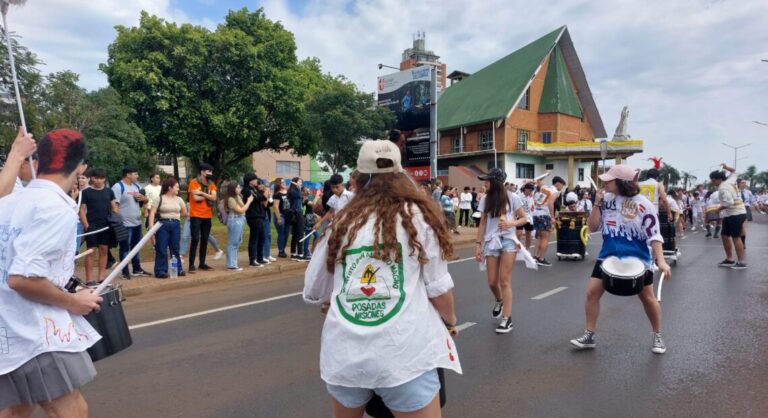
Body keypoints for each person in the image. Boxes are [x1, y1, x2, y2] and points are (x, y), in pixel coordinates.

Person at [303, 139, 461, 417]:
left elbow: (315, 289)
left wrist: (335, 298)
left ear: (358, 178)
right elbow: (438, 289)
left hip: (346, 355)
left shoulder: (341, 222)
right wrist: (449, 323)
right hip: (405, 354)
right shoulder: (418, 218)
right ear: (400, 175)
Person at [0, 128, 102, 417]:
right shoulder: (54, 208)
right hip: (34, 334)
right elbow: (22, 278)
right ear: (81, 166)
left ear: (38, 160)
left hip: (10, 332)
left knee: (19, 409)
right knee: (73, 412)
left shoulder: (8, 202)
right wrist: (74, 301)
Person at [570, 164, 672, 354]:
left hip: (638, 258)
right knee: (592, 293)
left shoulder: (644, 204)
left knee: (648, 298)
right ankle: (589, 335)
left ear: (621, 182)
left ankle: (657, 335)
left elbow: (655, 235)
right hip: (607, 255)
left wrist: (661, 260)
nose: (604, 182)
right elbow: (592, 228)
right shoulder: (605, 200)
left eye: (609, 179)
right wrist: (597, 203)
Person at [475, 168, 527, 333]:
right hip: (491, 241)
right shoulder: (485, 199)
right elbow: (483, 223)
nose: (485, 183)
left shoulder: (513, 197)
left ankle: (507, 319)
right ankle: (499, 299)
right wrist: (478, 244)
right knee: (492, 281)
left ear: (496, 182)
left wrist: (511, 224)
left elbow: (524, 218)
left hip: (508, 241)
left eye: (487, 180)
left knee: (504, 280)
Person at [79, 168, 118, 285]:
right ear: (92, 178)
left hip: (106, 226)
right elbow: (81, 209)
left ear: (104, 179)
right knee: (91, 252)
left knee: (104, 250)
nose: (99, 180)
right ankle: (89, 279)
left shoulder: (109, 192)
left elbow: (114, 207)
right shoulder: (86, 192)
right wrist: (86, 225)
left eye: (101, 178)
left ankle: (101, 277)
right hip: (92, 226)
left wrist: (115, 216)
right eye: (96, 178)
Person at [112, 167, 150, 279]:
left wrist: (144, 198)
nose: (137, 176)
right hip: (125, 224)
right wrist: (118, 222)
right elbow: (115, 206)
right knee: (124, 248)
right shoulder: (118, 186)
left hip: (137, 223)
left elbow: (146, 200)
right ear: (128, 175)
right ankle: (125, 271)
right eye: (135, 174)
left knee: (136, 247)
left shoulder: (137, 186)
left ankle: (136, 269)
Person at [148, 176, 187, 278]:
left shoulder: (179, 199)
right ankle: (161, 271)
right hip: (162, 225)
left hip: (176, 225)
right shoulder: (159, 199)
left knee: (175, 248)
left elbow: (184, 212)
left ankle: (178, 269)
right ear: (170, 188)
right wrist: (151, 227)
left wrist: (174, 216)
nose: (178, 189)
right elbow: (152, 213)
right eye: (177, 187)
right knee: (161, 248)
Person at [710, 165, 747, 269]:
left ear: (717, 179)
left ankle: (741, 262)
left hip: (736, 213)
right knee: (725, 235)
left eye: (713, 180)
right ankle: (729, 259)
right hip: (730, 214)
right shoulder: (730, 180)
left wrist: (718, 209)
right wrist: (726, 167)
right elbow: (735, 171)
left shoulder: (723, 188)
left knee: (736, 237)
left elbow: (729, 203)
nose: (712, 182)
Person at [187, 163, 218, 272]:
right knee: (195, 239)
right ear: (202, 172)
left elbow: (214, 197)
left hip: (207, 215)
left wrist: (201, 193)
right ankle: (191, 264)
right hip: (196, 215)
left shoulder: (211, 184)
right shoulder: (193, 182)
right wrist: (206, 195)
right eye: (209, 171)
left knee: (204, 239)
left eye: (211, 172)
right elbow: (195, 198)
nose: (211, 173)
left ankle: (202, 263)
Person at [531, 176, 565, 266]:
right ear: (558, 183)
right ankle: (541, 258)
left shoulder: (544, 187)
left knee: (539, 237)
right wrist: (552, 217)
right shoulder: (556, 191)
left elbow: (538, 180)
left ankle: (536, 256)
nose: (562, 187)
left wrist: (546, 174)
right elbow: (550, 203)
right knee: (545, 238)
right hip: (545, 214)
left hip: (536, 213)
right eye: (562, 185)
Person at [224, 179, 254, 270]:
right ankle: (231, 265)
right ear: (233, 189)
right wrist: (249, 201)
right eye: (237, 187)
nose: (239, 188)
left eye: (239, 187)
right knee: (233, 243)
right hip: (235, 221)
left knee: (237, 242)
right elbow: (241, 210)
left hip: (240, 220)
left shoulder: (237, 196)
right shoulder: (230, 199)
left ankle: (233, 263)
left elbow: (242, 208)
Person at [0, 127, 36, 198]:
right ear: (23, 163)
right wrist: (18, 154)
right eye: (34, 165)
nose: (35, 171)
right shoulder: (15, 189)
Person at [242, 173, 269, 267]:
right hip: (253, 216)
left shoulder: (255, 189)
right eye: (254, 180)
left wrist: (263, 191)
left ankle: (260, 258)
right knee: (254, 238)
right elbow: (260, 198)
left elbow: (263, 198)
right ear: (250, 181)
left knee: (262, 237)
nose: (256, 181)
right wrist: (265, 190)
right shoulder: (246, 190)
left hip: (259, 215)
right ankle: (252, 260)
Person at [287, 177, 305, 260]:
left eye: (301, 182)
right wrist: (299, 188)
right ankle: (300, 254)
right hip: (297, 213)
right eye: (299, 182)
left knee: (296, 234)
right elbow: (301, 195)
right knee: (299, 233)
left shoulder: (294, 190)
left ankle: (293, 253)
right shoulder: (294, 191)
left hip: (296, 213)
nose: (301, 183)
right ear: (295, 182)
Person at [517, 182, 536, 249]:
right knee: (518, 233)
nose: (530, 192)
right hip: (520, 216)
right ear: (525, 189)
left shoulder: (531, 197)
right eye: (530, 190)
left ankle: (527, 249)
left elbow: (532, 207)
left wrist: (533, 208)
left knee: (528, 234)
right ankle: (517, 249)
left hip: (529, 217)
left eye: (531, 191)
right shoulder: (519, 196)